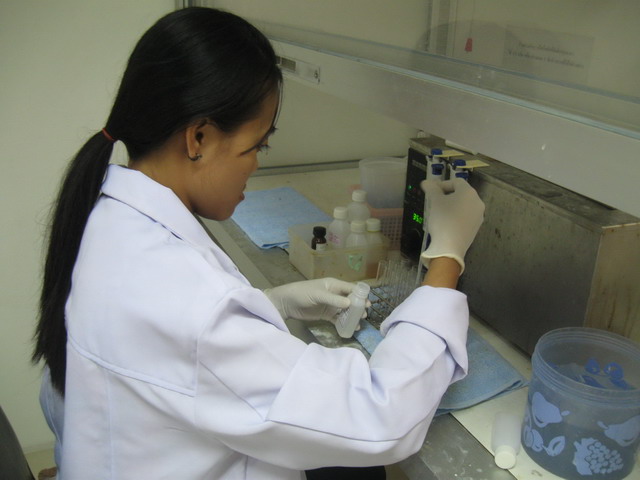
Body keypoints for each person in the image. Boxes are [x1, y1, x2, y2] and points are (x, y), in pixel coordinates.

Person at [32, 7, 485, 480]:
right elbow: (381, 415)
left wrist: (270, 304)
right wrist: (446, 258)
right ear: (199, 138)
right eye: (256, 146)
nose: (256, 164)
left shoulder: (109, 217)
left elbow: (172, 346)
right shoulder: (187, 304)